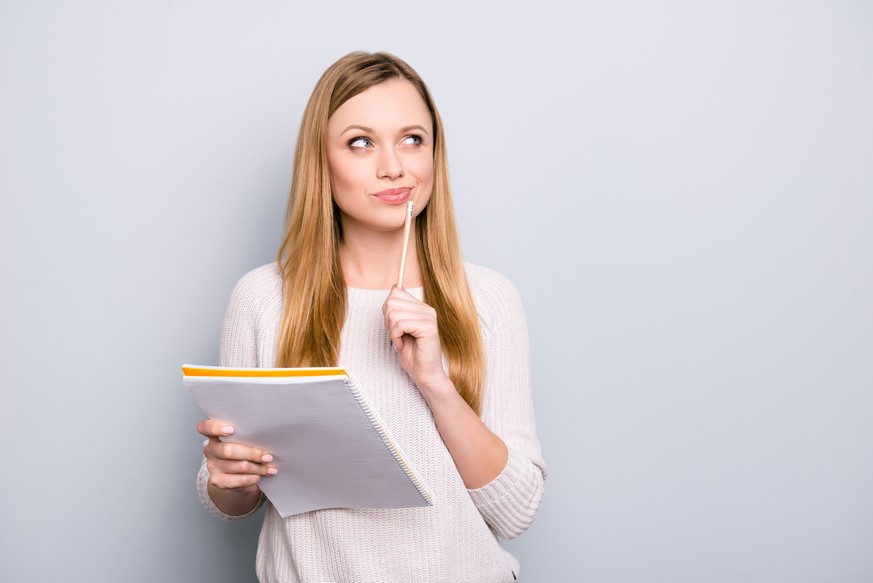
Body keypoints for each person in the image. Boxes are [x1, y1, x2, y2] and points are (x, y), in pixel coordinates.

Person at [196, 51, 546, 583]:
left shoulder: (489, 299)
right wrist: (229, 477)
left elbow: (516, 511)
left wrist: (436, 385)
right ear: (322, 159)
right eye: (361, 142)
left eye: (413, 139)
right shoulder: (264, 300)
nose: (394, 166)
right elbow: (235, 502)